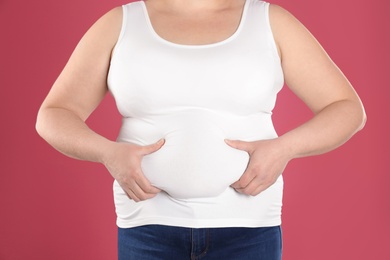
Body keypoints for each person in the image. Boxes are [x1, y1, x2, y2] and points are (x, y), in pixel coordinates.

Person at [36, 0, 366, 259]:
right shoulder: (120, 24)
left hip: (248, 233)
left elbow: (346, 108)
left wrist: (285, 148)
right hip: (148, 231)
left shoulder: (270, 22)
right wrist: (107, 153)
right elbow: (53, 115)